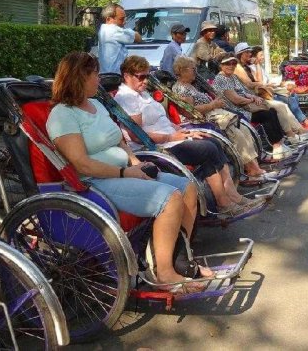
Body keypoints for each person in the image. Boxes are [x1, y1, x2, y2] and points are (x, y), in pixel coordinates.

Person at [46, 51, 209, 292]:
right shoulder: (63, 115)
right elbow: (81, 164)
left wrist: (134, 162)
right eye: (95, 74)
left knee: (187, 187)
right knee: (170, 198)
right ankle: (164, 274)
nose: (98, 80)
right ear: (80, 77)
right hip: (95, 182)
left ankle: (179, 258)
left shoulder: (97, 105)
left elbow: (119, 140)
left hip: (123, 171)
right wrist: (124, 173)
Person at [115, 55, 258, 216]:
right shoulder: (126, 97)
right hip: (154, 146)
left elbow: (164, 120)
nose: (146, 81)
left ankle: (231, 196)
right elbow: (136, 135)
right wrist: (171, 137)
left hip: (171, 138)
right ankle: (223, 202)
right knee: (208, 148)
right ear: (126, 76)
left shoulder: (142, 94)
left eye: (147, 76)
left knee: (213, 143)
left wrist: (184, 132)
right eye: (141, 77)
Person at [171, 56, 268, 178]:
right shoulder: (180, 88)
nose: (195, 71)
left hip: (212, 113)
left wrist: (215, 104)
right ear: (183, 70)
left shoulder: (190, 85)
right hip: (200, 119)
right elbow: (190, 112)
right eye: (193, 69)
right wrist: (213, 104)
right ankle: (252, 169)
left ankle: (253, 167)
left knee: (243, 130)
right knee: (236, 133)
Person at [212, 52, 293, 160]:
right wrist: (250, 100)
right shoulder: (221, 79)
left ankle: (279, 143)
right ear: (221, 65)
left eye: (233, 63)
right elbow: (236, 99)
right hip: (235, 110)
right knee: (266, 115)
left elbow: (244, 91)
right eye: (228, 63)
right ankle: (276, 146)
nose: (231, 65)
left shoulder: (233, 77)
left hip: (244, 106)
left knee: (272, 111)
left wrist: (255, 97)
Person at [231, 42, 308, 142]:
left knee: (284, 104)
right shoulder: (238, 68)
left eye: (249, 52)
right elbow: (249, 84)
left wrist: (257, 65)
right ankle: (292, 135)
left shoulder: (246, 66)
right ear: (240, 54)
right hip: (251, 99)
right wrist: (263, 85)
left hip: (256, 95)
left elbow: (258, 80)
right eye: (247, 52)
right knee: (280, 106)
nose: (250, 54)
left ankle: (298, 131)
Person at [252, 46, 308, 130]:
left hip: (272, 89)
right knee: (289, 99)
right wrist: (257, 64)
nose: (263, 57)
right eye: (261, 55)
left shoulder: (261, 67)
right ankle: (303, 121)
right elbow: (261, 83)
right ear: (255, 57)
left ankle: (301, 121)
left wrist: (279, 83)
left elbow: (267, 81)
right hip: (266, 93)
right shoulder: (254, 68)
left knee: (293, 94)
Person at [98, 3, 141, 74]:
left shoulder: (103, 29)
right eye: (121, 19)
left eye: (125, 19)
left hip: (105, 75)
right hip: (115, 76)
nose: (124, 22)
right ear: (109, 19)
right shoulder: (113, 30)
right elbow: (138, 38)